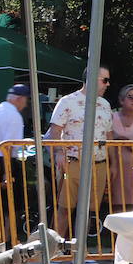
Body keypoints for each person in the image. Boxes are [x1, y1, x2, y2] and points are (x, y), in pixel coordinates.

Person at [46, 67, 113, 240]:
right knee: (64, 208)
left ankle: (80, 252)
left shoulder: (105, 104)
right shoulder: (68, 101)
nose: (108, 84)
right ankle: (57, 251)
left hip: (99, 164)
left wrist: (111, 164)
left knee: (89, 211)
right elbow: (55, 130)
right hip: (72, 163)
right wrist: (59, 152)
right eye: (104, 80)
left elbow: (110, 135)